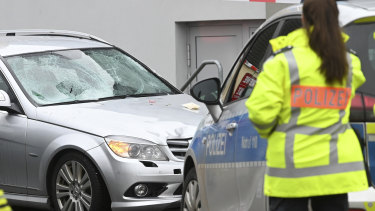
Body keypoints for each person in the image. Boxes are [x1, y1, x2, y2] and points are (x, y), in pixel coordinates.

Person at [245, 0, 368, 210]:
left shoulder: (283, 62)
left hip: (292, 171)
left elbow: (260, 114)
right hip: (335, 170)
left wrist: (273, 133)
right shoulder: (348, 63)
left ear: (303, 18)